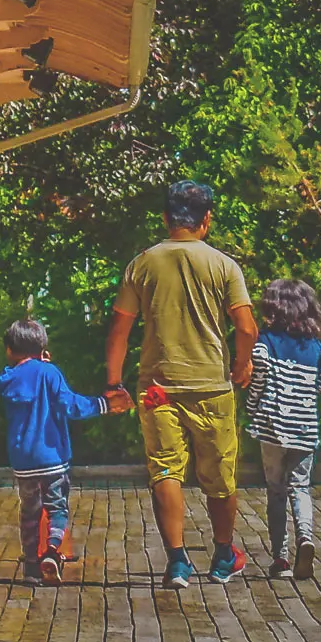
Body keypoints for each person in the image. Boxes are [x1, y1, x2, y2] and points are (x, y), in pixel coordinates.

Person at [104, 180, 258, 589]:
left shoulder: (142, 264)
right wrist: (242, 365)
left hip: (158, 387)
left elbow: (120, 329)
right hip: (211, 386)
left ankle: (177, 562)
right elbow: (246, 326)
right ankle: (224, 556)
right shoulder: (225, 266)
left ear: (165, 218)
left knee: (165, 472)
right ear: (206, 220)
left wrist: (113, 383)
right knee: (221, 477)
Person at [0, 318, 118, 585]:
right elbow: (70, 406)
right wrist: (103, 405)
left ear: (9, 350)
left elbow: (18, 377)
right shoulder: (50, 373)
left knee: (30, 512)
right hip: (52, 458)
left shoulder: (9, 379)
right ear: (42, 348)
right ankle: (51, 551)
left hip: (23, 462)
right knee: (57, 509)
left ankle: (30, 568)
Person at [248, 278, 321, 579]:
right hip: (304, 428)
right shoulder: (315, 347)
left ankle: (280, 560)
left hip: (272, 428)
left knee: (275, 491)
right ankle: (306, 538)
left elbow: (258, 380)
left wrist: (250, 411)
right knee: (300, 487)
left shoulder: (265, 341)